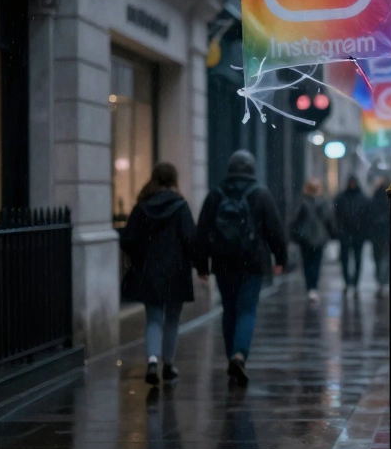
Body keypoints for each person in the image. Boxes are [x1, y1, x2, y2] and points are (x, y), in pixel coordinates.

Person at [195, 150, 288, 387]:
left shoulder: (216, 194)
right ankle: (239, 355)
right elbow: (275, 229)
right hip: (252, 262)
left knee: (229, 310)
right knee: (247, 310)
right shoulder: (260, 193)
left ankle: (231, 357)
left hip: (223, 261)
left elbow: (203, 230)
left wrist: (201, 264)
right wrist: (280, 259)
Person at [120, 163, 196, 386]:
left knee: (153, 318)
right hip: (176, 272)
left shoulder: (143, 207)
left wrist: (140, 257)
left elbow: (128, 239)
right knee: (172, 319)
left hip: (150, 271)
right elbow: (191, 239)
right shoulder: (181, 206)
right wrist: (200, 265)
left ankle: (152, 360)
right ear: (174, 180)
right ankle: (169, 365)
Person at [292, 178, 335, 304]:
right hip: (310, 238)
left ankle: (312, 287)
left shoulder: (307, 201)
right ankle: (312, 287)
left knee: (310, 263)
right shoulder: (308, 201)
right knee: (312, 263)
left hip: (311, 238)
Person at [334, 175, 369, 293]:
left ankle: (355, 283)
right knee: (345, 259)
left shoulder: (361, 198)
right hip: (346, 233)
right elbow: (336, 215)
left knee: (357, 258)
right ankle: (347, 281)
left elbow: (367, 216)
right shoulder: (342, 198)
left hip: (357, 233)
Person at [367, 172, 391, 298]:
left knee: (379, 258)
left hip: (378, 234)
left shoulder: (375, 198)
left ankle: (381, 281)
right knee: (384, 258)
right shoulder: (390, 199)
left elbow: (369, 216)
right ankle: (382, 281)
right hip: (385, 233)